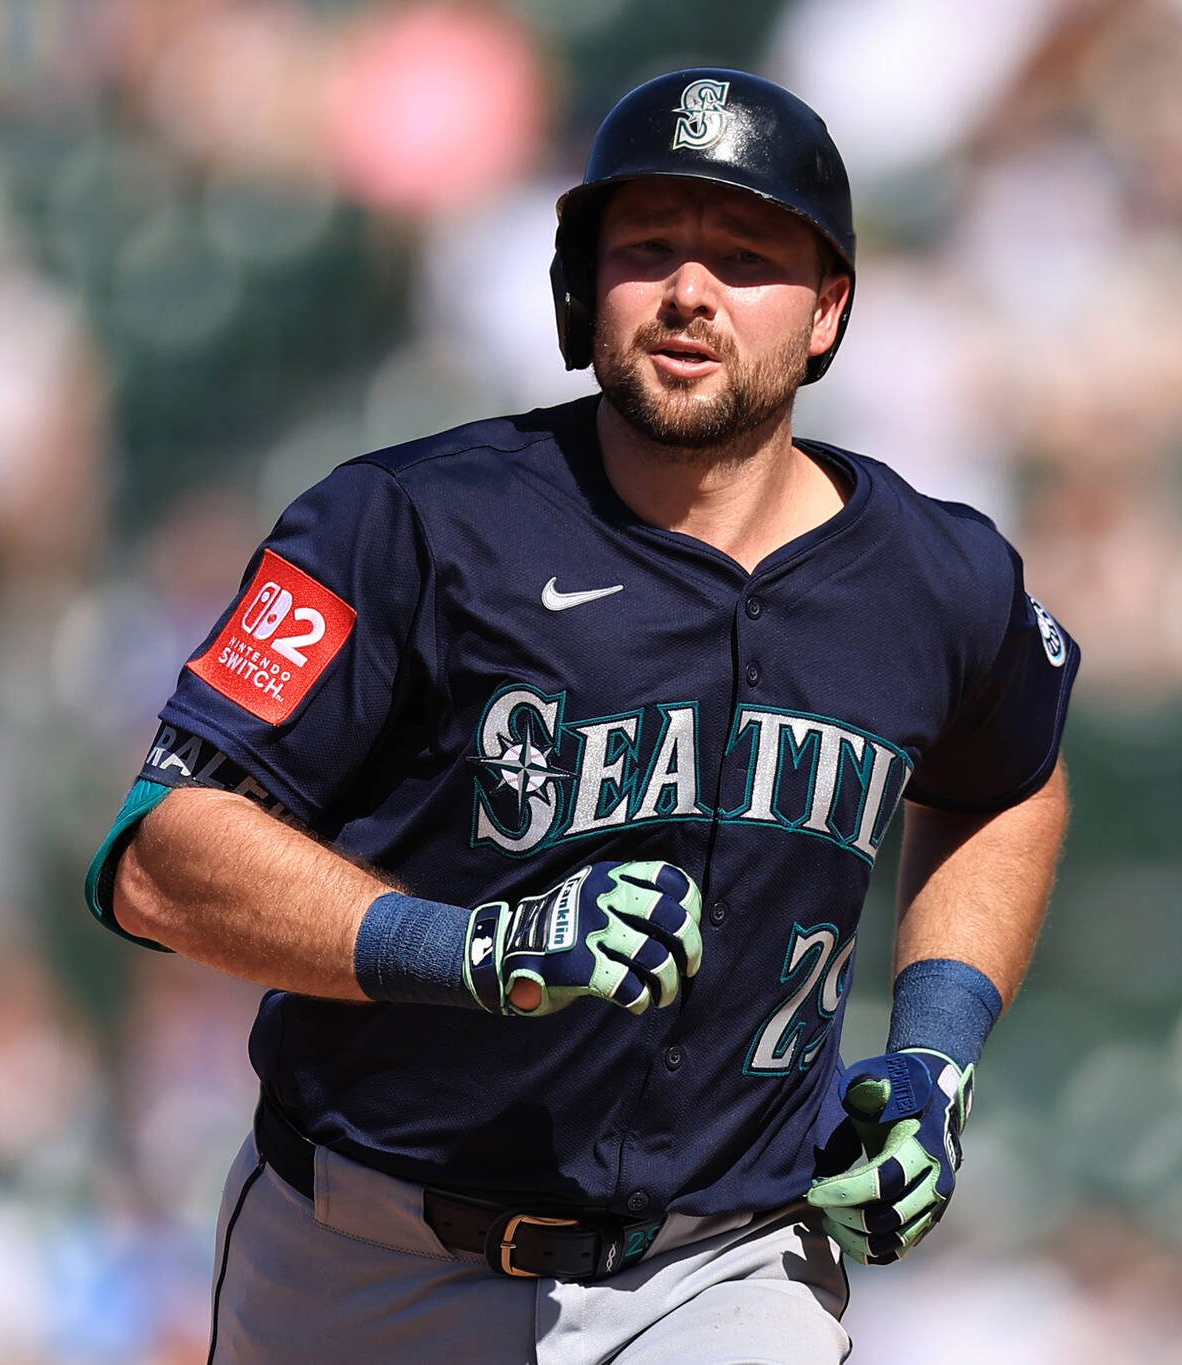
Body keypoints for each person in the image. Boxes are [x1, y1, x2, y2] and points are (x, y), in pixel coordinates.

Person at [84, 67, 1075, 1364]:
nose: (688, 289)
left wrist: (937, 1053)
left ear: (828, 310)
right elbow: (162, 850)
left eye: (746, 253)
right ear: (579, 287)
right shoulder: (404, 526)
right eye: (646, 246)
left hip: (725, 1262)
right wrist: (475, 946)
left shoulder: (936, 578)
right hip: (369, 1256)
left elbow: (1006, 779)